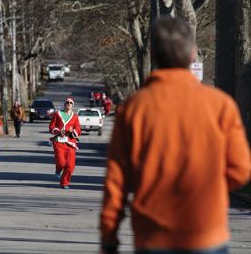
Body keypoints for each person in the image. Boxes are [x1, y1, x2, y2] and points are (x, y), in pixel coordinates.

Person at [100, 16, 251, 254]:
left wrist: (109, 236)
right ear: (193, 54)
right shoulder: (220, 105)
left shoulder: (133, 108)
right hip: (207, 233)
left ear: (153, 53)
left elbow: (116, 181)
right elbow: (240, 170)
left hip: (153, 235)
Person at [49, 97, 81, 189]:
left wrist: (73, 131)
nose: (69, 104)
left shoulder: (75, 117)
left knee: (70, 165)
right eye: (67, 102)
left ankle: (65, 182)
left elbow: (78, 129)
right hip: (59, 141)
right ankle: (58, 169)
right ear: (64, 104)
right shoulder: (58, 114)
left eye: (71, 103)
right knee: (61, 162)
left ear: (72, 105)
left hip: (70, 142)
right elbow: (52, 126)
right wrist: (58, 131)